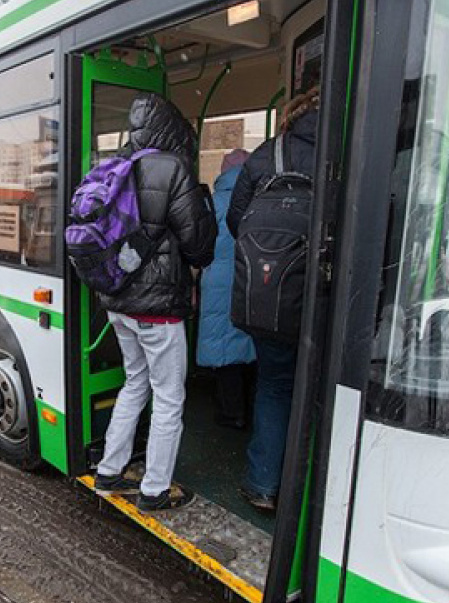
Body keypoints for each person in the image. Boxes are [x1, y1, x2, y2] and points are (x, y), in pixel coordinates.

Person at [92, 93, 217, 511]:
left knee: (134, 382)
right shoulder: (173, 168)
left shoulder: (113, 164)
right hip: (158, 309)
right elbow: (199, 247)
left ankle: (109, 470)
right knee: (168, 396)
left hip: (117, 302)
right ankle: (154, 489)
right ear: (170, 129)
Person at [227, 86, 320, 512]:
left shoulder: (265, 156)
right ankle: (312, 497)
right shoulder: (348, 150)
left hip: (269, 298)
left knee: (275, 386)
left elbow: (236, 221)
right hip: (324, 300)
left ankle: (263, 484)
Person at [196, 149, 256, 430]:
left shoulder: (214, 202)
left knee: (223, 348)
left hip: (218, 280)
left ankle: (230, 413)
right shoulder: (257, 199)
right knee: (248, 344)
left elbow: (199, 245)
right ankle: (250, 408)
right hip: (253, 280)